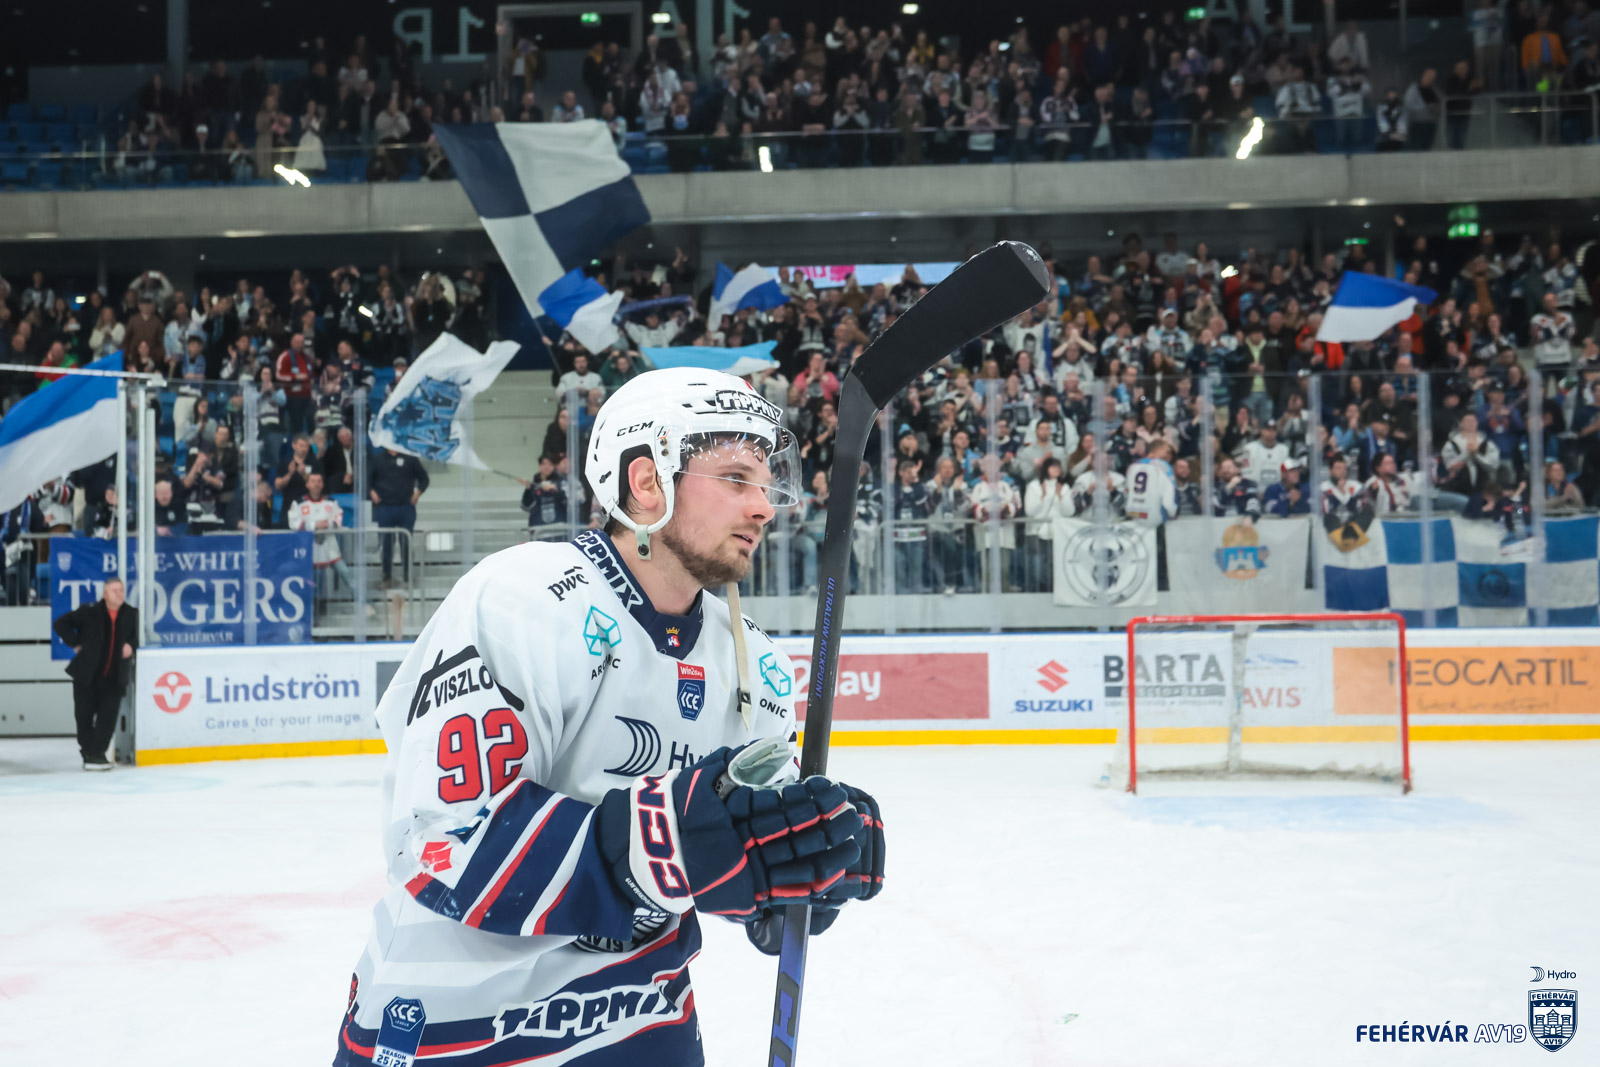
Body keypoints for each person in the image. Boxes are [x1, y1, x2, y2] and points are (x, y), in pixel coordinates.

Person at [332, 368, 886, 1066]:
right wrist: (665, 841)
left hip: (642, 1024)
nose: (764, 508)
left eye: (767, 484)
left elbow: (736, 865)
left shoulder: (757, 666)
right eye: (736, 479)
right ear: (647, 481)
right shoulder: (523, 599)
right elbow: (443, 841)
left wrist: (805, 862)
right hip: (454, 1028)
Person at [52, 576, 138, 770]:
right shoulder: (89, 612)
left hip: (114, 677)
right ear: (105, 594)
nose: (119, 594)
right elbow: (60, 623)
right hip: (86, 675)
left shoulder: (132, 615)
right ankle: (89, 753)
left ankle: (97, 753)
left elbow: (140, 635)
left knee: (107, 718)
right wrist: (75, 643)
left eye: (121, 590)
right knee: (84, 716)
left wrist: (131, 646)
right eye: (115, 591)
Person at [370, 447, 428, 587]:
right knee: (386, 544)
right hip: (385, 507)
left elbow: (424, 479)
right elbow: (367, 480)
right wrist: (372, 492)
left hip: (405, 507)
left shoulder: (410, 457)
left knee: (406, 543)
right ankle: (387, 577)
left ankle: (407, 576)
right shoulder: (378, 459)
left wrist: (417, 493)